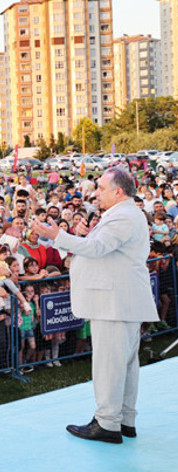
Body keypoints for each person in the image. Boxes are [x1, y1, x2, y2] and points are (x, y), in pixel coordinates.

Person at [32, 168, 159, 444]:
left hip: (114, 303)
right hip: (118, 301)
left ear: (118, 191)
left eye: (101, 188)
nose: (96, 193)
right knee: (124, 365)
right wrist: (86, 236)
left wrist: (58, 236)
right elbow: (102, 247)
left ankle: (107, 422)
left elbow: (97, 249)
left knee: (109, 366)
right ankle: (124, 420)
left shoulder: (123, 215)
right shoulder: (124, 213)